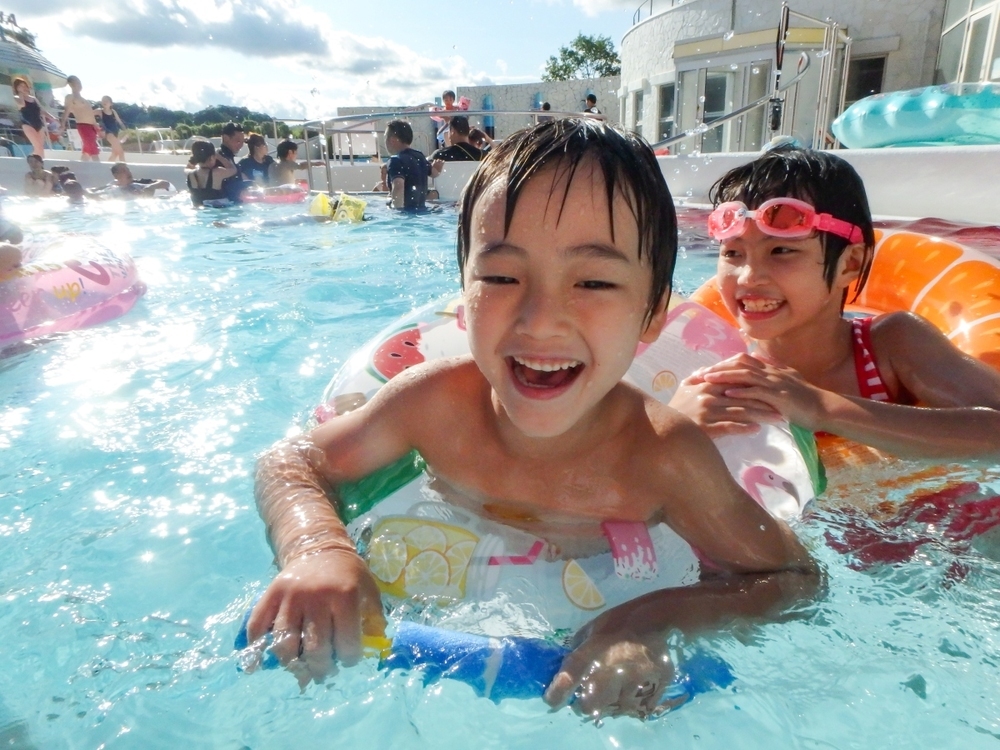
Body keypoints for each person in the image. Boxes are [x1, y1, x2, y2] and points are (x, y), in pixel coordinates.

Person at [246, 119, 816, 718]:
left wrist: (648, 620)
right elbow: (291, 461)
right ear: (463, 295)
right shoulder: (436, 405)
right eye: (500, 276)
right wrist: (316, 547)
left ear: (653, 315)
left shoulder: (660, 457)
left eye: (594, 280)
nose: (540, 320)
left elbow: (792, 579)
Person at [669, 147, 1000, 461]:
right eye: (732, 253)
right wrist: (675, 425)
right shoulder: (713, 364)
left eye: (781, 251)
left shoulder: (891, 344)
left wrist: (819, 407)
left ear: (850, 264)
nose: (747, 278)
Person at [374, 120, 442, 211]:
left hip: (405, 213)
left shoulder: (395, 160)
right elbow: (434, 173)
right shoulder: (420, 156)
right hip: (422, 211)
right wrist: (438, 168)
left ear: (392, 140)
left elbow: (398, 186)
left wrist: (397, 212)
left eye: (385, 138)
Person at [12, 76, 57, 157]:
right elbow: (22, 104)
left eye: (24, 85)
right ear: (17, 88)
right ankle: (41, 163)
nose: (24, 87)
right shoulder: (17, 98)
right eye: (21, 86)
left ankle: (34, 160)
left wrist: (53, 118)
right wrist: (21, 94)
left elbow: (41, 110)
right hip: (27, 124)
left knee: (40, 147)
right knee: (37, 145)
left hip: (39, 124)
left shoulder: (33, 98)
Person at [60, 75, 101, 161]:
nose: (79, 85)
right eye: (77, 83)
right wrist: (62, 124)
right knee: (92, 148)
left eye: (79, 82)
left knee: (88, 149)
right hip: (83, 125)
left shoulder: (84, 99)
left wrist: (96, 127)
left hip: (91, 126)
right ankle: (98, 166)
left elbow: (89, 114)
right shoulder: (70, 97)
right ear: (71, 84)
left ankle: (82, 165)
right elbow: (66, 111)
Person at [186, 141, 237, 207]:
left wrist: (194, 159)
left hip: (199, 210)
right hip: (218, 211)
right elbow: (233, 169)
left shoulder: (190, 174)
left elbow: (187, 168)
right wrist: (219, 156)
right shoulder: (217, 172)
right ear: (212, 157)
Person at [108, 163, 173, 198]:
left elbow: (165, 183)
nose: (128, 173)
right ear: (116, 176)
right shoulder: (111, 187)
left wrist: (151, 187)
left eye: (128, 170)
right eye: (123, 171)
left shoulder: (139, 183)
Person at [95, 96, 127, 162]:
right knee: (121, 152)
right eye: (103, 100)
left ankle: (107, 167)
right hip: (108, 133)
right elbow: (88, 114)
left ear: (111, 103)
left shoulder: (113, 111)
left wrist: (125, 131)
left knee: (115, 153)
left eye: (106, 101)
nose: (104, 102)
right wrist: (95, 125)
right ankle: (124, 168)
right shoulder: (100, 111)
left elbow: (119, 122)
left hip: (115, 132)